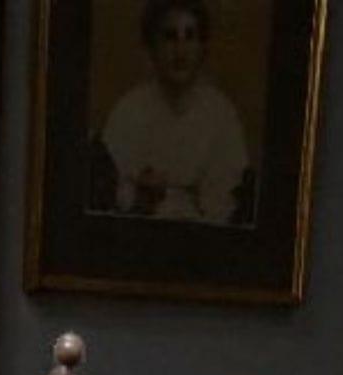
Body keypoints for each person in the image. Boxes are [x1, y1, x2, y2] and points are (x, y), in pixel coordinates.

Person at [99, 1, 252, 225]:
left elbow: (225, 199)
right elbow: (113, 197)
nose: (181, 50)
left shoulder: (221, 114)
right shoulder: (128, 111)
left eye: (190, 37)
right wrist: (141, 200)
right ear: (152, 47)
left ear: (202, 47)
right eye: (170, 37)